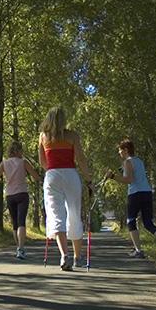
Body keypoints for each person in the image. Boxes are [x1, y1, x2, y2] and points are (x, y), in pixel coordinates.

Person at [38, 106, 92, 271]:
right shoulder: (72, 135)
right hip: (71, 175)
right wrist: (89, 181)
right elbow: (81, 159)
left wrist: (53, 170)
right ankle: (77, 256)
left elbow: (42, 162)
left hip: (52, 175)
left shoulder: (43, 137)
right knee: (74, 214)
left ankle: (64, 255)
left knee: (56, 215)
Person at [105, 140, 156, 258]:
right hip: (147, 192)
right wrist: (122, 169)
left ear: (126, 150)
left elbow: (129, 180)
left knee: (130, 221)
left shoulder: (128, 162)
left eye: (120, 150)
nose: (119, 153)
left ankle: (138, 250)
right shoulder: (138, 161)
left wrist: (113, 177)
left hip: (135, 194)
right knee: (148, 223)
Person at [0, 141, 40, 260]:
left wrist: (0, 182)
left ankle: (18, 247)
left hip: (10, 195)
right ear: (17, 151)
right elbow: (35, 176)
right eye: (21, 150)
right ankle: (21, 248)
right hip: (22, 193)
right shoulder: (23, 162)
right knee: (21, 222)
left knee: (15, 223)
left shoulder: (4, 163)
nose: (22, 152)